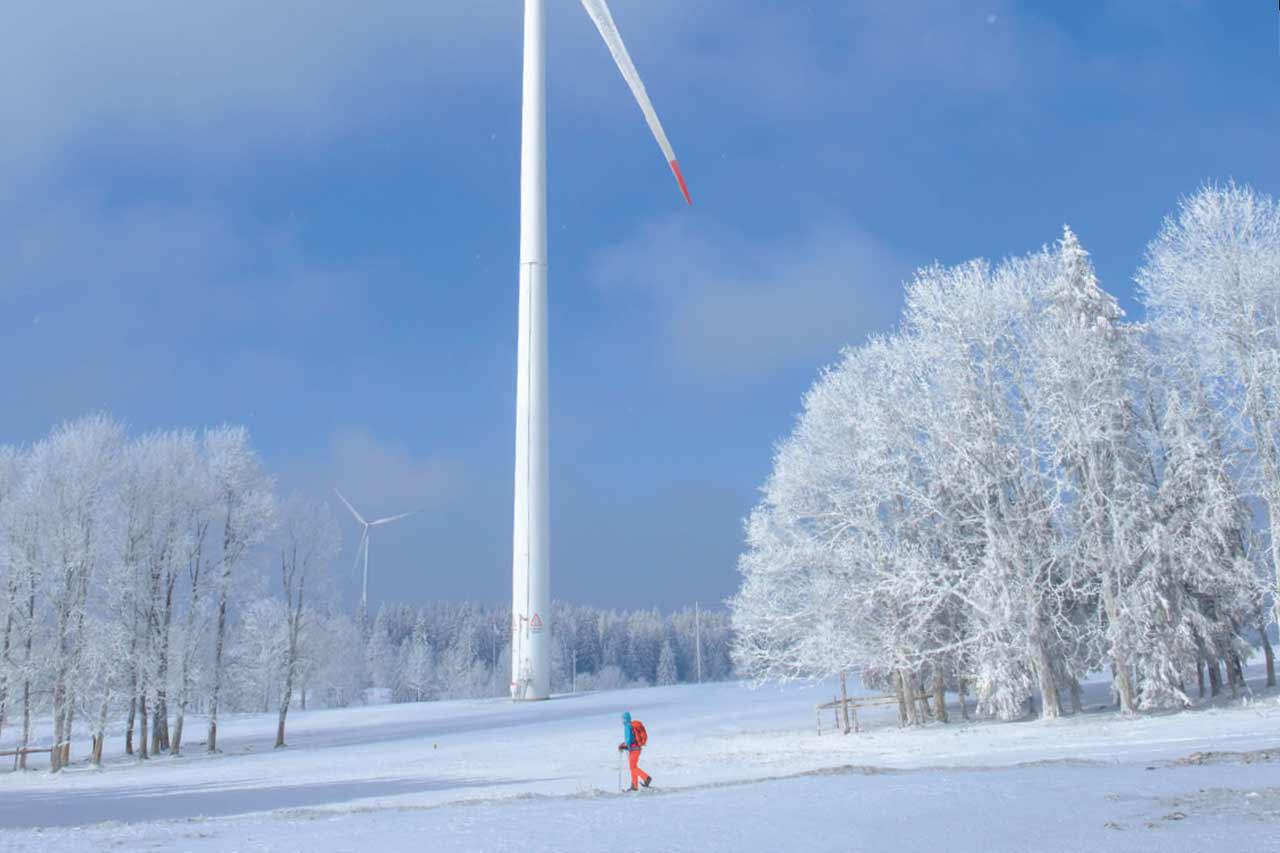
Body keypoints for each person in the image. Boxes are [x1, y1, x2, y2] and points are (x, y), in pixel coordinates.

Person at [617, 711, 652, 791]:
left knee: (633, 767)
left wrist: (624, 746)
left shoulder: (627, 726)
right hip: (637, 748)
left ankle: (646, 778)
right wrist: (625, 745)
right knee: (633, 767)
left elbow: (629, 740)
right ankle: (634, 786)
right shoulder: (632, 725)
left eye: (622, 719)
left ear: (625, 719)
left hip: (633, 749)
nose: (622, 721)